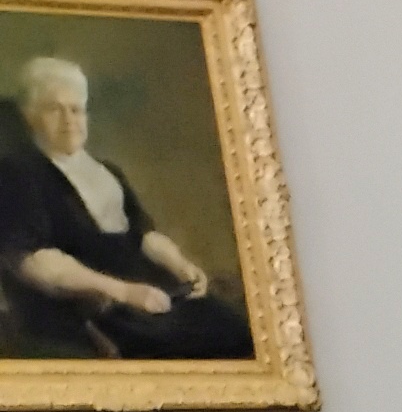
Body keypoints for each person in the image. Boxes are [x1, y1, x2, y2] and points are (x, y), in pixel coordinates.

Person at [0, 58, 249, 360]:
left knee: (233, 330)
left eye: (76, 109)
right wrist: (125, 292)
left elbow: (144, 234)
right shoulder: (19, 174)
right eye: (55, 109)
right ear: (29, 116)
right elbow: (33, 261)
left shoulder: (108, 171)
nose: (69, 120)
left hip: (152, 296)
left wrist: (181, 265)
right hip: (90, 309)